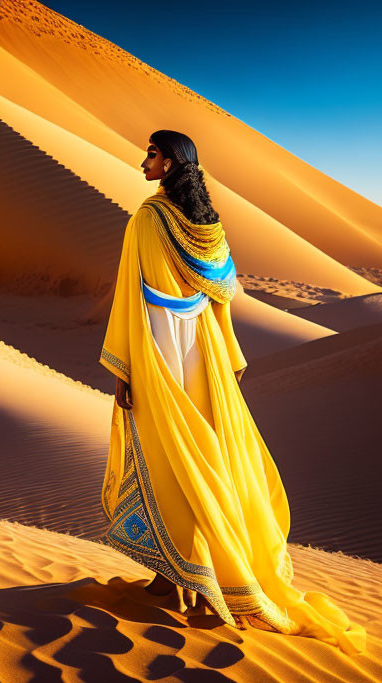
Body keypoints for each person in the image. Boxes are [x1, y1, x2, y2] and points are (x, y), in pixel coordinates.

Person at [97, 129, 366, 655]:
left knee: (170, 453)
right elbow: (222, 291)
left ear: (171, 162)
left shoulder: (148, 219)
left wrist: (125, 367)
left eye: (152, 154)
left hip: (160, 349)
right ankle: (195, 570)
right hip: (203, 350)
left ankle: (188, 572)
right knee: (207, 453)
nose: (143, 161)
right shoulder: (207, 225)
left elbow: (137, 293)